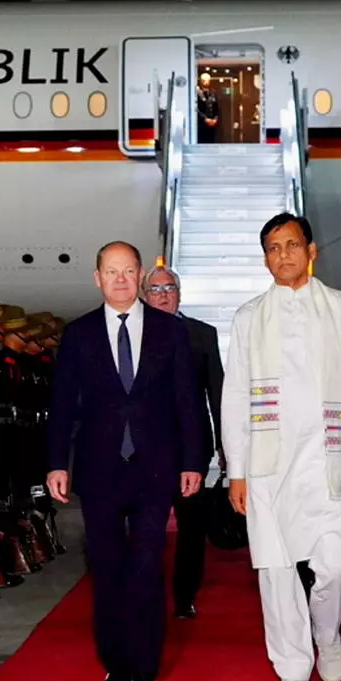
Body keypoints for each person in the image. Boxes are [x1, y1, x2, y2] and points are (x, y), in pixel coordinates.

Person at [222, 213, 341, 681]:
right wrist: (236, 469)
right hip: (268, 468)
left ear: (311, 250)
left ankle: (327, 632)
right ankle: (293, 674)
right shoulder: (249, 316)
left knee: (338, 568)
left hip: (332, 464)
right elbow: (234, 397)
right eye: (273, 248)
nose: (283, 256)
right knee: (276, 573)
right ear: (265, 258)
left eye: (291, 245)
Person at [46, 241, 205, 681]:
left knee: (146, 568)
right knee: (108, 568)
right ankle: (115, 664)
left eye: (128, 271)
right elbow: (63, 407)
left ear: (141, 276)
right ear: (97, 278)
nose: (120, 280)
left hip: (156, 468)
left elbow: (187, 402)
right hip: (99, 470)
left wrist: (193, 461)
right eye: (111, 272)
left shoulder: (168, 332)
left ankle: (144, 671)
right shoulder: (78, 335)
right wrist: (58, 462)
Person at [142, 264, 224, 618]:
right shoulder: (131, 334)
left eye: (169, 287)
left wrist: (227, 446)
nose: (163, 294)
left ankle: (184, 595)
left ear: (179, 292)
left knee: (192, 528)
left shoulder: (201, 335)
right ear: (145, 296)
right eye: (156, 289)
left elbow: (217, 394)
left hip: (192, 450)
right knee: (147, 528)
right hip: (145, 451)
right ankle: (147, 595)